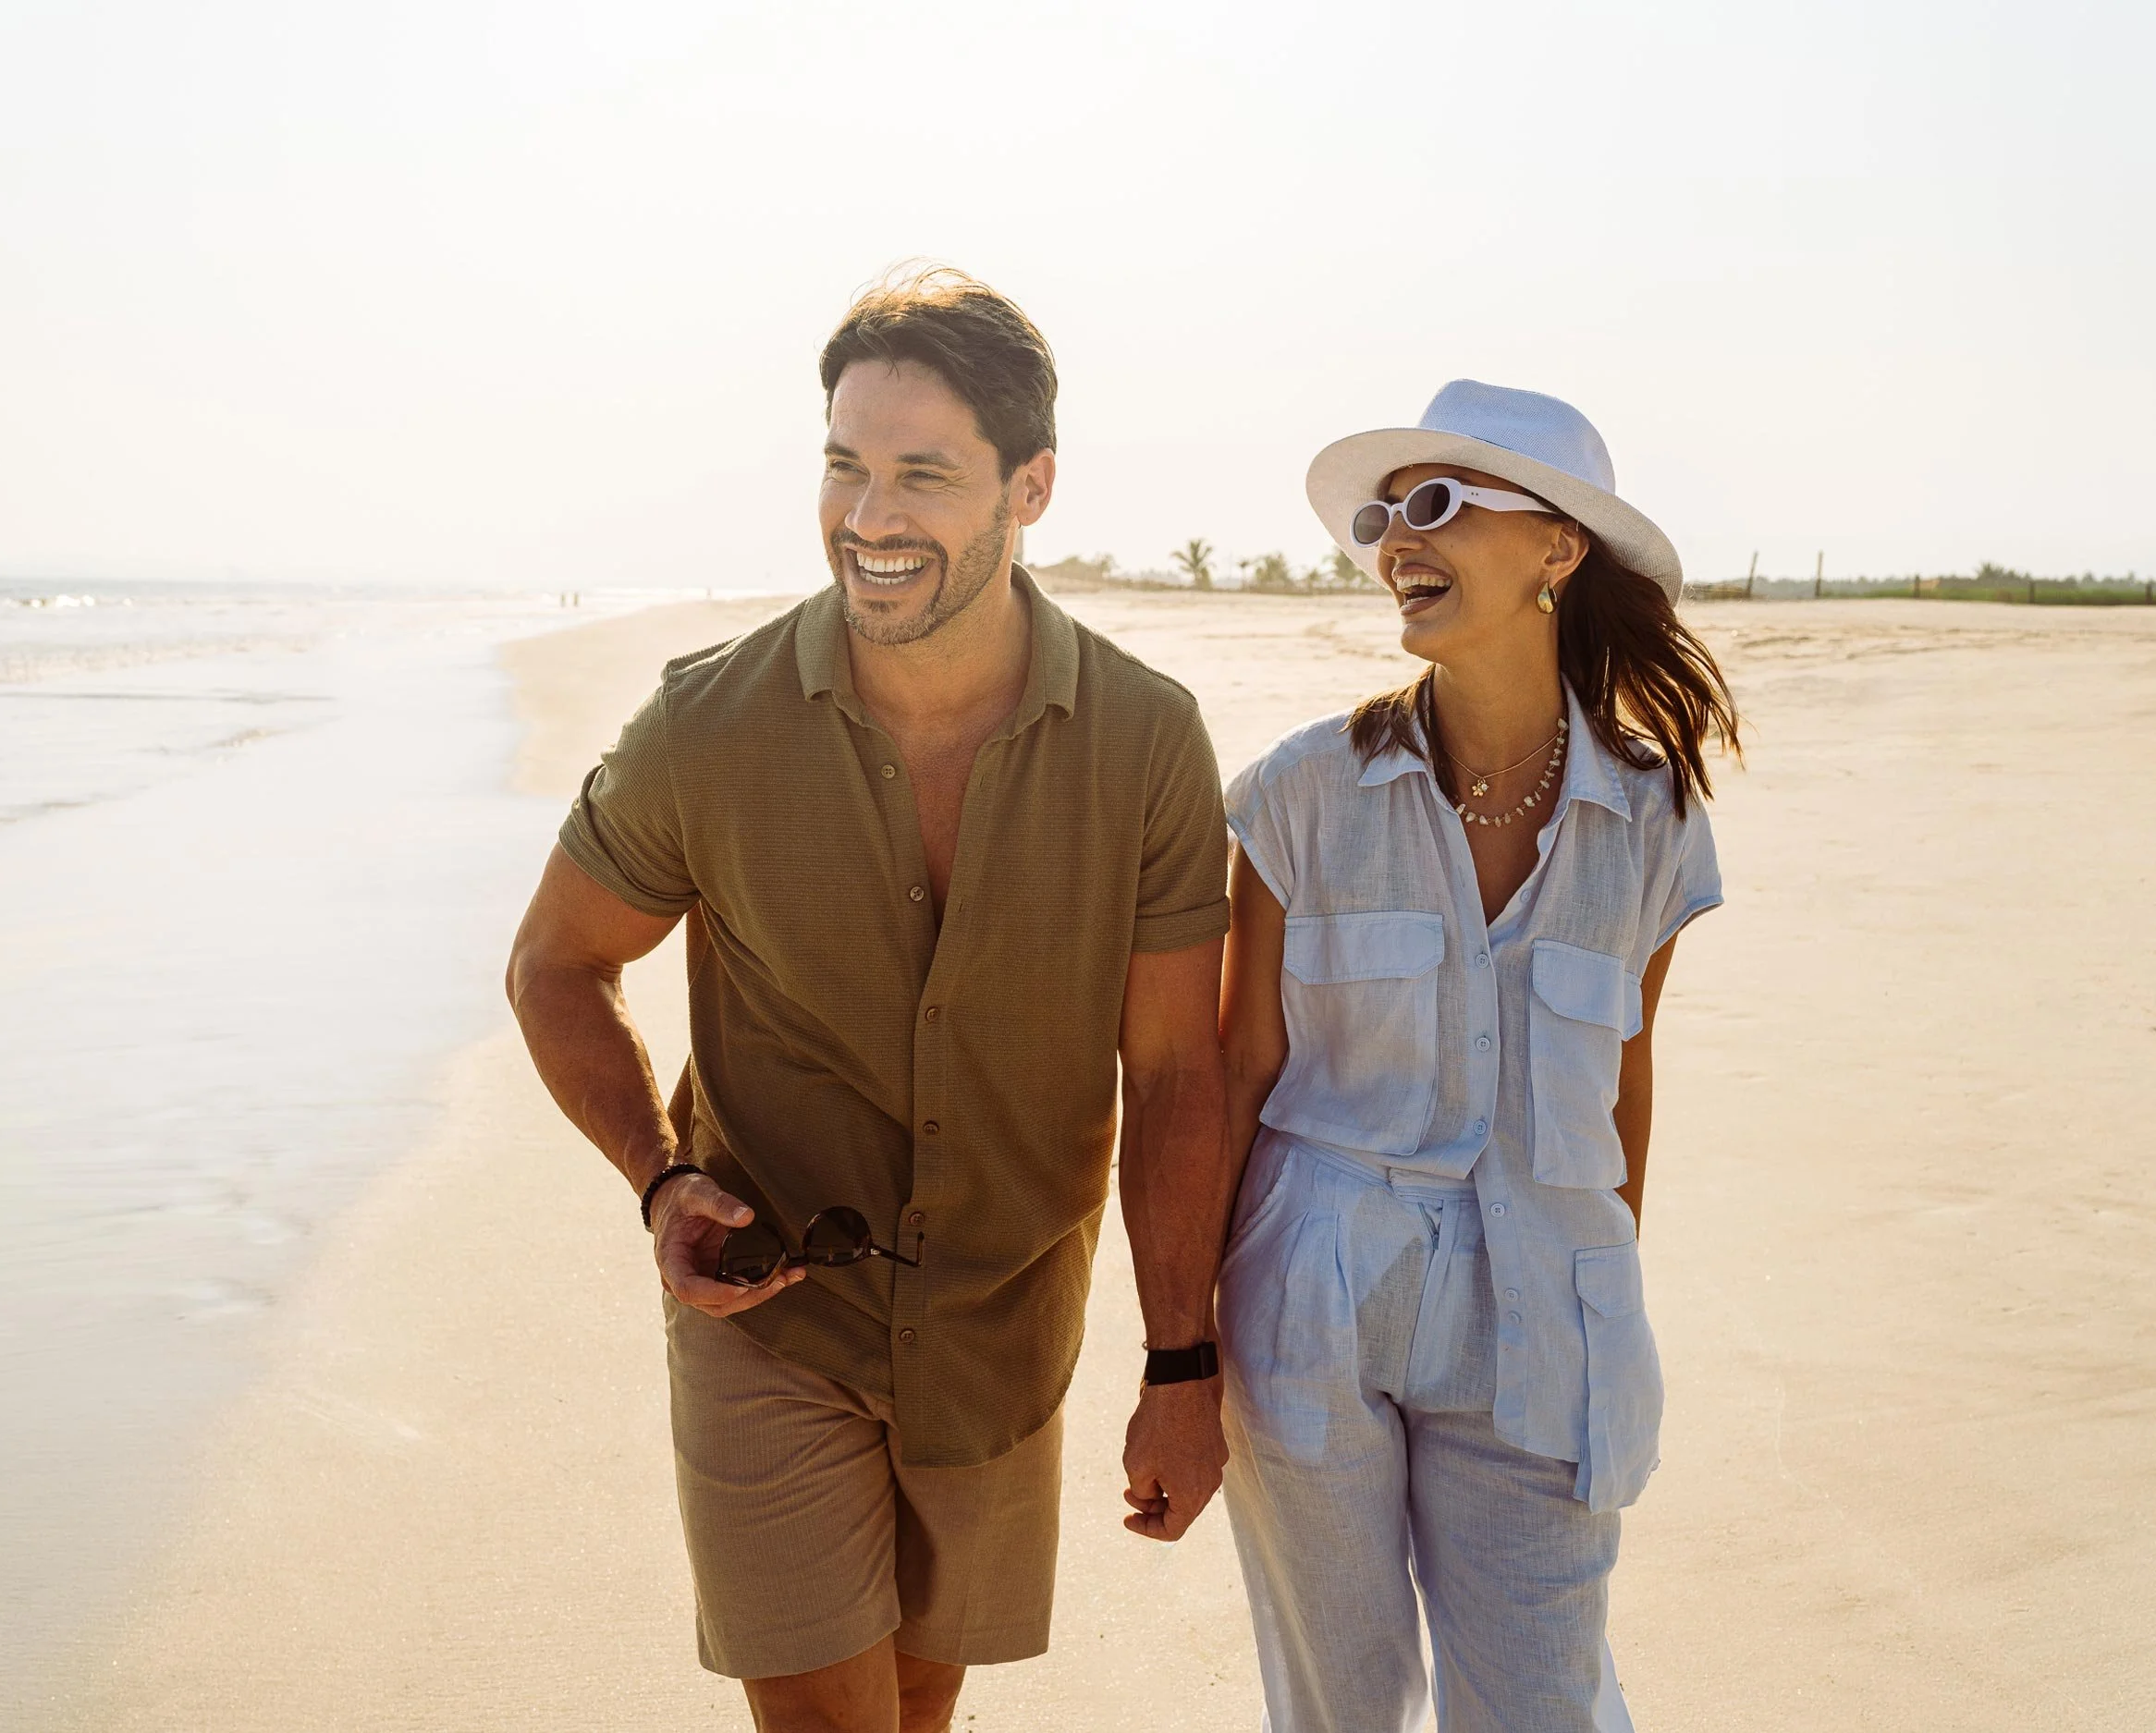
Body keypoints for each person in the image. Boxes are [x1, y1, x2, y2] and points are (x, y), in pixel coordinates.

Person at [504, 269, 1238, 1733]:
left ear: (1029, 488)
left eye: (923, 474)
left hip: (1002, 1326)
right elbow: (555, 965)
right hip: (774, 1318)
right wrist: (660, 1179)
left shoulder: (1147, 744)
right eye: (844, 464)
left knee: (914, 1707)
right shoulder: (707, 727)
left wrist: (1181, 1361)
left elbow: (1171, 1076)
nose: (869, 516)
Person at [1215, 381, 1742, 1731]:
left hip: (1545, 1329)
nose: (1399, 537)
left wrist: (1597, 1300)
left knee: (1543, 1707)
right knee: (1338, 1712)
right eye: (1387, 514)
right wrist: (1180, 1353)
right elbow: (1231, 1076)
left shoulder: (1653, 817)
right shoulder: (1298, 792)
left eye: (1439, 504)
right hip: (1313, 1309)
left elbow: (1625, 1090)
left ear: (1558, 548)